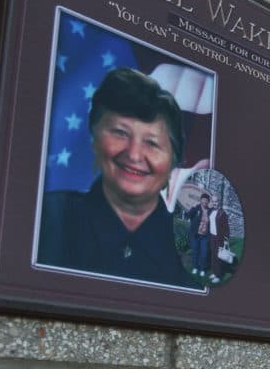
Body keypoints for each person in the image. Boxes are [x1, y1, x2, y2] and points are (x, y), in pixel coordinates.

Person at [37, 67, 193, 287]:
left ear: (173, 162)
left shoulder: (194, 249)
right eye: (120, 133)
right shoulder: (48, 218)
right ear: (95, 137)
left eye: (152, 143)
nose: (134, 154)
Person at [206, 197, 231, 282]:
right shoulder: (212, 211)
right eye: (213, 201)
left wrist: (226, 240)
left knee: (218, 257)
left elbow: (226, 228)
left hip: (219, 238)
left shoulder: (222, 213)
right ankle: (214, 272)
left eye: (216, 201)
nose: (214, 203)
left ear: (219, 202)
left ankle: (219, 276)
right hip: (212, 237)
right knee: (213, 256)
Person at [186, 193, 211, 277]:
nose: (204, 202)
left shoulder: (210, 211)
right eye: (203, 200)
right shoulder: (196, 208)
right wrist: (192, 208)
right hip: (195, 235)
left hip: (205, 236)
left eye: (206, 200)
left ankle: (202, 269)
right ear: (200, 200)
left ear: (208, 202)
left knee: (204, 253)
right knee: (195, 252)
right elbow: (188, 215)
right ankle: (196, 267)